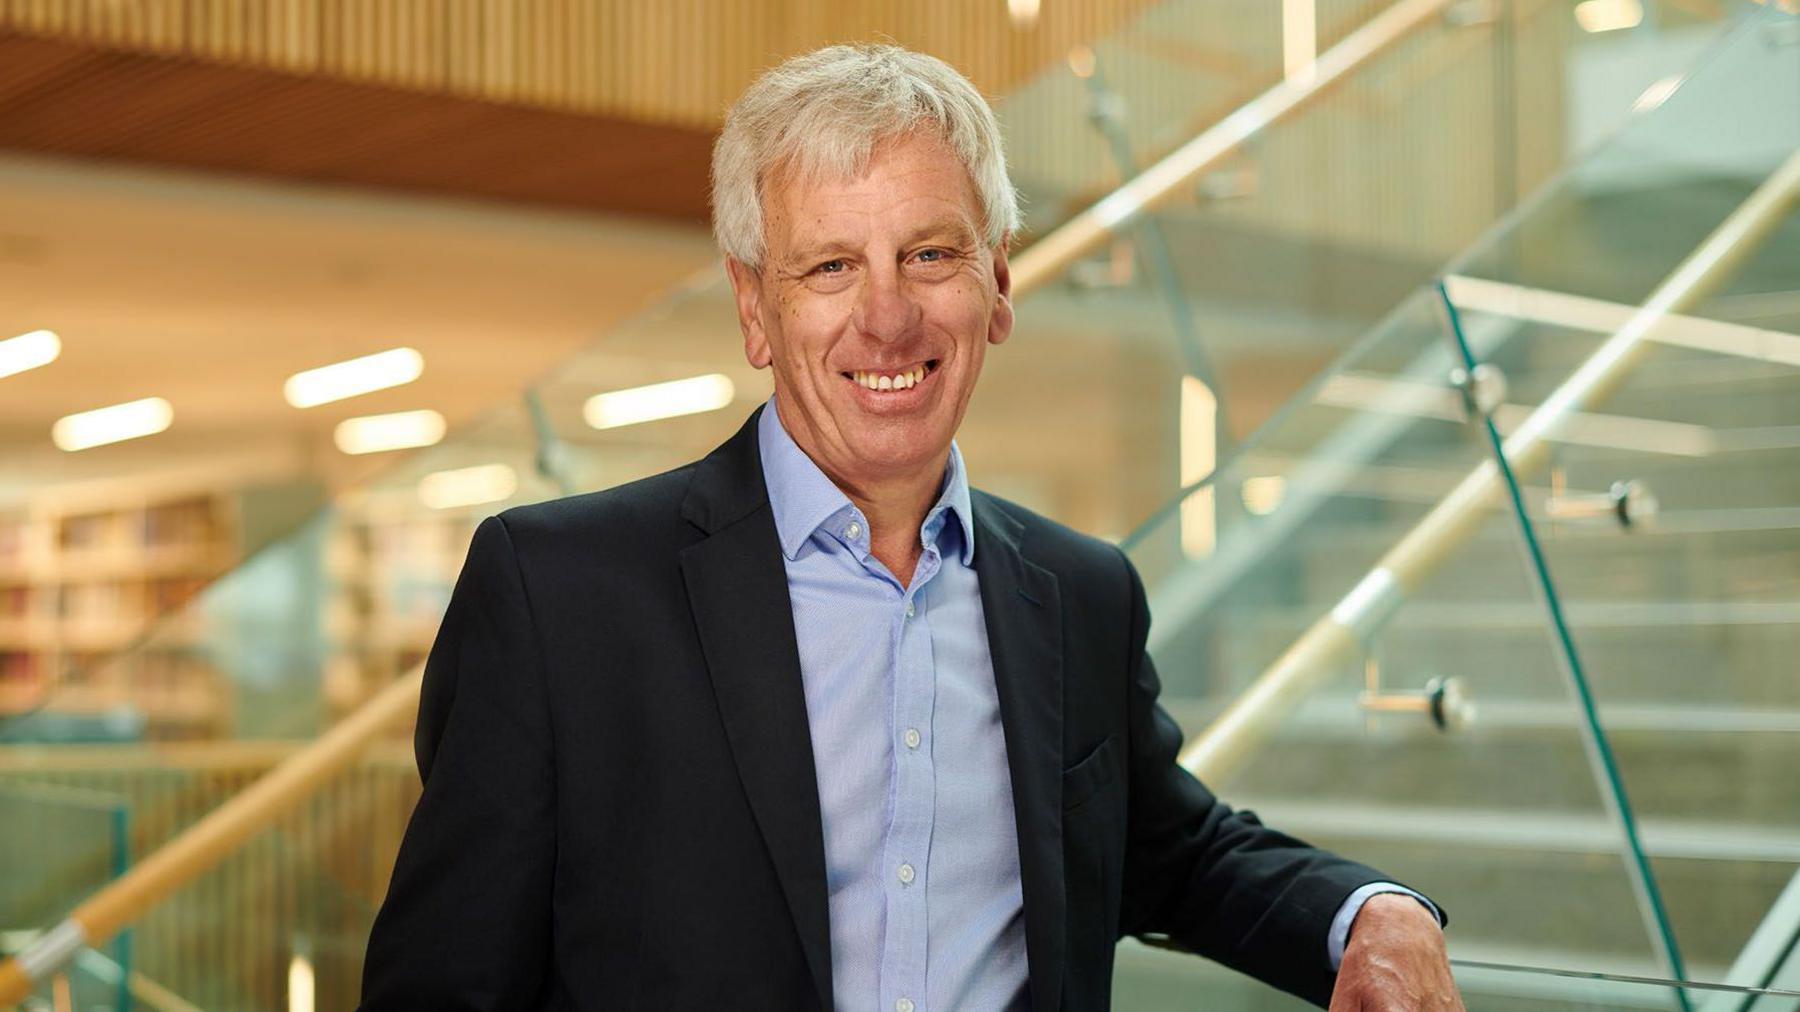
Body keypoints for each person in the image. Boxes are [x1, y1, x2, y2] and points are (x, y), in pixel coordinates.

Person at [360, 44, 1464, 1011]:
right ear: (756, 307)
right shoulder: (559, 593)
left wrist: (1373, 913)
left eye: (930, 254)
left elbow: (1170, 850)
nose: (887, 316)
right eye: (831, 265)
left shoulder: (1079, 593)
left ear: (998, 286)